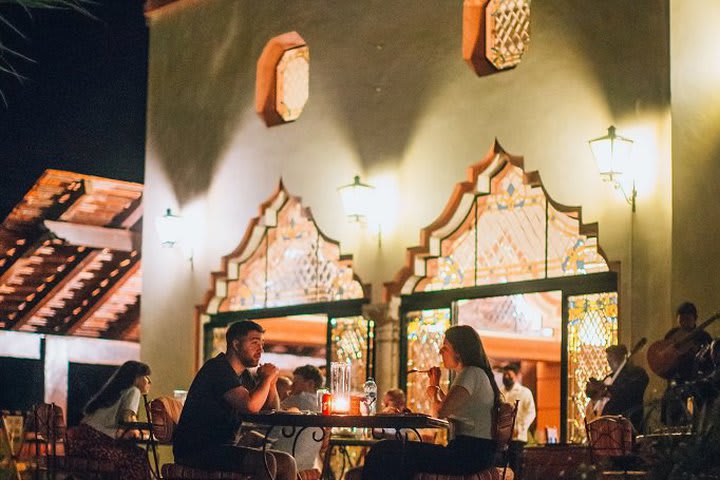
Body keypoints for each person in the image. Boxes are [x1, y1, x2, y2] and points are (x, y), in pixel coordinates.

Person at [360, 325, 499, 480]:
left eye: (445, 348)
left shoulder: (470, 373)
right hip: (476, 453)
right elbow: (452, 407)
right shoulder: (476, 374)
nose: (440, 352)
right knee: (397, 457)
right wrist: (436, 386)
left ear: (459, 351)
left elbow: (440, 412)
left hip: (468, 455)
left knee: (383, 450)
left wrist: (434, 390)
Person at [173, 321, 296, 480]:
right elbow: (250, 405)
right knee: (267, 462)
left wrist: (271, 383)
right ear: (236, 344)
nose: (261, 350)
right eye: (254, 343)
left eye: (262, 344)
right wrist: (266, 378)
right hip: (196, 449)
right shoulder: (218, 369)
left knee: (287, 462)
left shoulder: (244, 376)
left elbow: (269, 409)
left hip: (224, 447)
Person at [67, 360, 152, 480]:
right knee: (138, 456)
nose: (149, 381)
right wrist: (139, 432)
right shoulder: (134, 390)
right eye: (146, 376)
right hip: (96, 444)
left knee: (134, 453)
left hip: (80, 444)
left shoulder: (114, 392)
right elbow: (127, 420)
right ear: (136, 378)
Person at [661, 302, 712, 425]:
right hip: (676, 383)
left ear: (694, 319)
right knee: (672, 416)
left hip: (696, 384)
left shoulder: (703, 336)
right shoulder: (672, 336)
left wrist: (697, 354)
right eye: (681, 319)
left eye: (687, 319)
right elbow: (664, 359)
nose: (684, 322)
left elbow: (710, 363)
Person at [273, 365, 325, 473]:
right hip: (307, 467)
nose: (291, 387)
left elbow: (272, 418)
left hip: (285, 463)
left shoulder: (298, 399)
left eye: (295, 383)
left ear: (310, 384)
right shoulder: (321, 406)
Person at [600, 344, 649, 432]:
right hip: (609, 425)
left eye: (612, 361)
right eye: (608, 361)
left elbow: (627, 392)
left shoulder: (637, 373)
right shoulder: (610, 377)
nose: (610, 365)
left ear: (622, 358)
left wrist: (609, 389)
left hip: (629, 423)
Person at [500, 363, 536, 477]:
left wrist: (520, 428)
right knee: (502, 467)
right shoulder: (500, 392)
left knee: (516, 466)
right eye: (504, 375)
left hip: (517, 437)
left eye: (509, 375)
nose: (506, 377)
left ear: (515, 376)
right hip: (502, 437)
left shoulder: (524, 392)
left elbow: (531, 413)